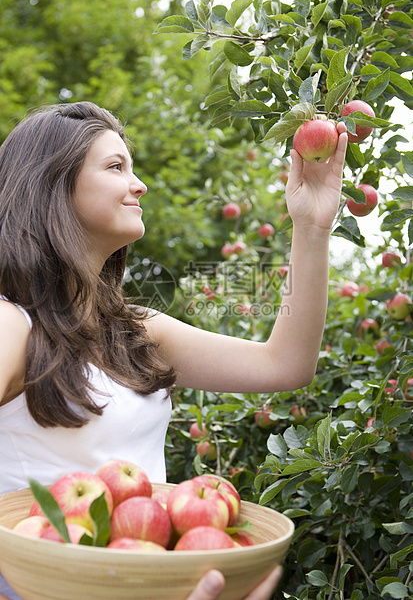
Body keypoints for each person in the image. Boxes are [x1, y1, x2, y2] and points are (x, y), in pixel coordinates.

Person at [0, 101, 347, 600]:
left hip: (151, 578)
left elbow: (285, 365)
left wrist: (311, 227)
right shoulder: (14, 325)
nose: (140, 185)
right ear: (52, 184)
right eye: (116, 167)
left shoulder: (135, 329)